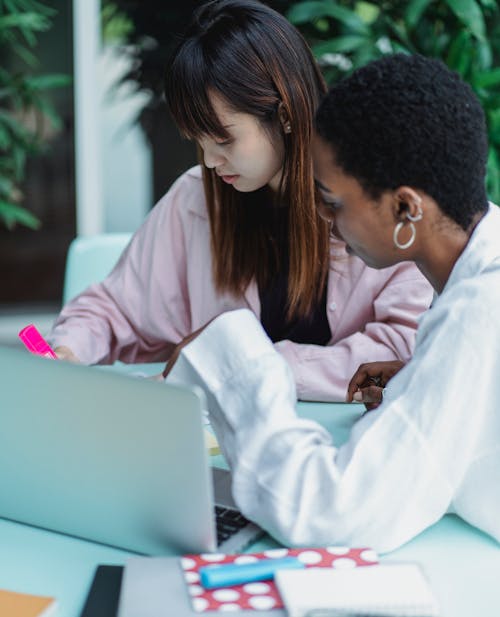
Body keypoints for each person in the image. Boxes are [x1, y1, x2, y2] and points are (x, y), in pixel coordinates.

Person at [165, 53, 500, 552]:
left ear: (405, 207)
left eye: (333, 202)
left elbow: (331, 514)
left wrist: (235, 356)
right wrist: (419, 381)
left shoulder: (478, 311)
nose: (321, 216)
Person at [48, 0, 431, 402]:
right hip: (222, 453)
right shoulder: (197, 198)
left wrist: (244, 366)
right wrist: (67, 350)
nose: (211, 161)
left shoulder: (373, 198)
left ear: (284, 115)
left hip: (347, 448)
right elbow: (113, 308)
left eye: (223, 139)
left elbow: (407, 347)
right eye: (198, 141)